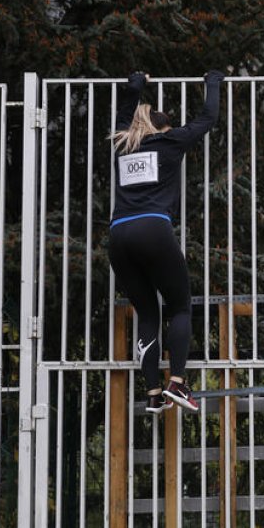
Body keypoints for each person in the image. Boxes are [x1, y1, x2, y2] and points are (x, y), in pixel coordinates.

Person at [108, 69, 225, 413]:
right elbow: (209, 116)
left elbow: (124, 109)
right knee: (179, 307)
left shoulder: (122, 143)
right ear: (164, 129)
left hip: (119, 235)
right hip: (154, 230)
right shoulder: (171, 141)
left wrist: (135, 85)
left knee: (147, 312)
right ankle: (177, 382)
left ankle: (154, 392)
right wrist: (213, 81)